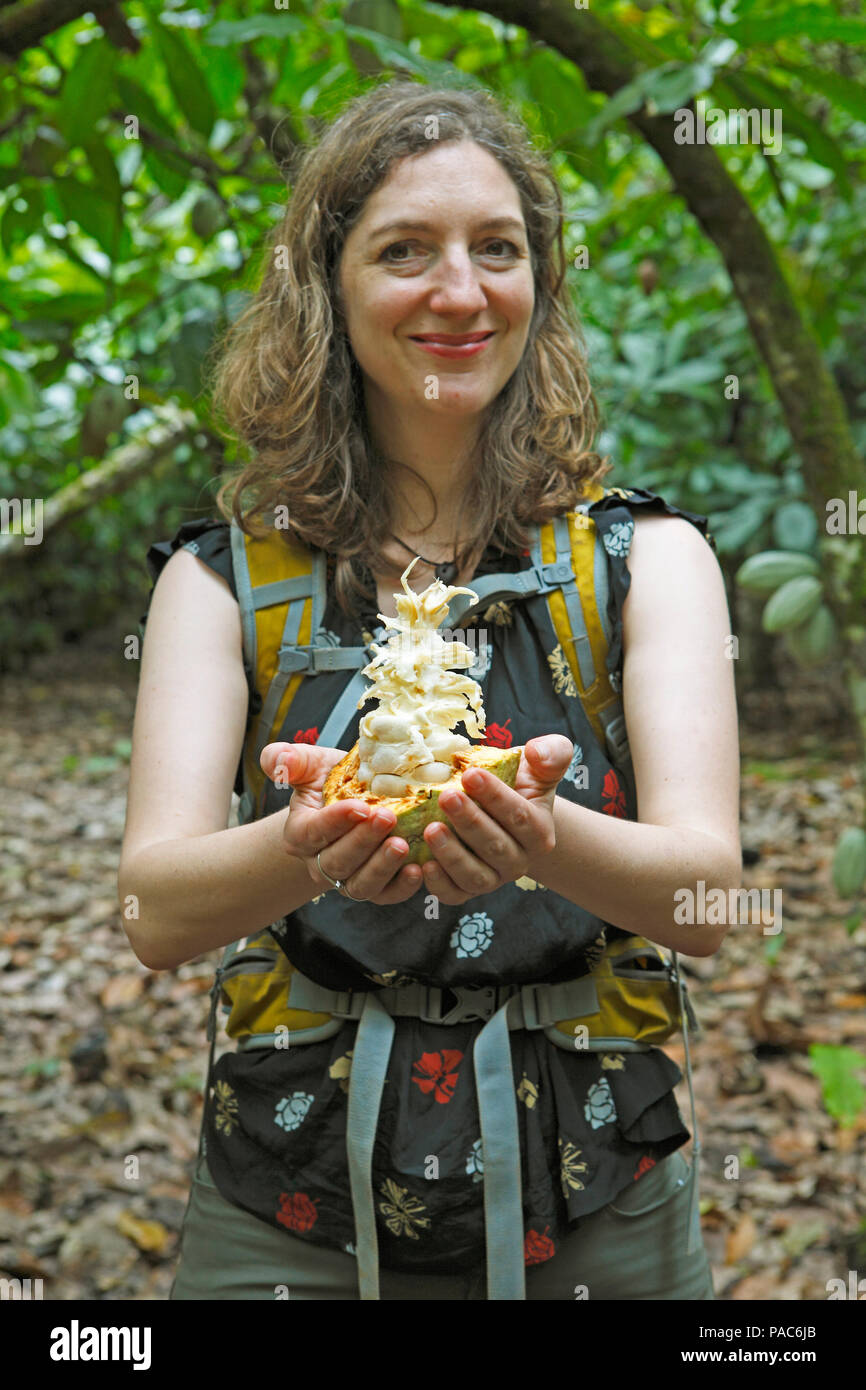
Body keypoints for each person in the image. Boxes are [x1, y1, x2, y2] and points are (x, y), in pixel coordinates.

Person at [119, 79, 741, 1300]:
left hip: (593, 1171)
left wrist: (537, 836)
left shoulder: (643, 562)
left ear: (536, 285)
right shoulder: (222, 581)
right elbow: (155, 911)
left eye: (495, 250)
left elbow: (710, 900)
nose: (459, 292)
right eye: (404, 250)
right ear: (326, 284)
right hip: (288, 1183)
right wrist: (317, 841)